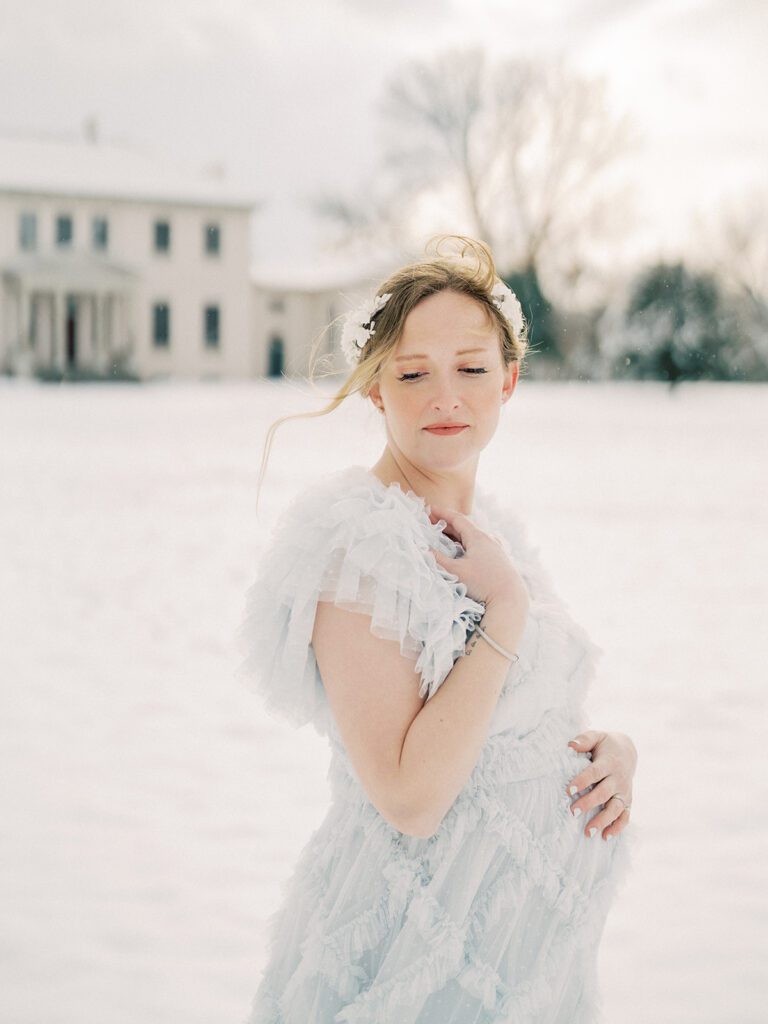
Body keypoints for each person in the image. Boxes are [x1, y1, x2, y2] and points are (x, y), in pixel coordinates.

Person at [237, 235, 638, 1022]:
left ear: (510, 380)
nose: (444, 396)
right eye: (413, 373)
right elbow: (410, 796)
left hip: (526, 963)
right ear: (377, 391)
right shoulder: (359, 546)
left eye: (471, 368)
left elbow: (517, 710)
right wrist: (507, 611)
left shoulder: (490, 532)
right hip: (415, 955)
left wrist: (609, 754)